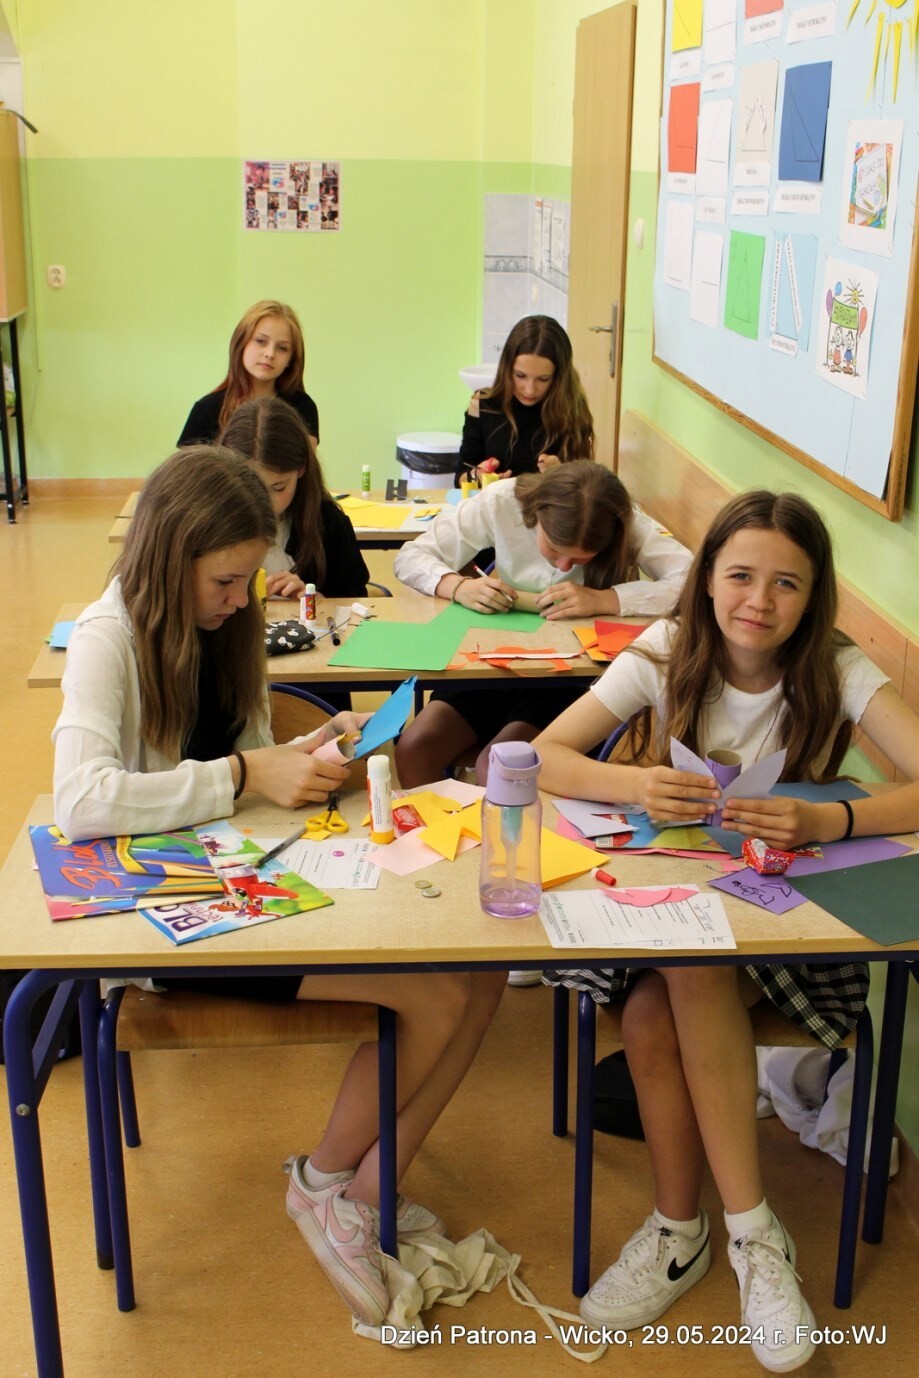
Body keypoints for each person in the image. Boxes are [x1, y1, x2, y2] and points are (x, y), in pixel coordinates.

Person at [52, 448, 506, 1332]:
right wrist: (243, 775)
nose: (237, 599)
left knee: (478, 973)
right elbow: (80, 799)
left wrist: (306, 756)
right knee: (437, 992)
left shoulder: (224, 627)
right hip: (167, 909)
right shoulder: (109, 634)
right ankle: (324, 1185)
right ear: (170, 558)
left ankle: (366, 1191)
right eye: (224, 581)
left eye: (246, 580)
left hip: (247, 873)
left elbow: (251, 760)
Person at [533, 490, 919, 1373]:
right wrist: (634, 785)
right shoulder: (667, 649)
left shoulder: (835, 666)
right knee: (666, 989)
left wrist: (827, 822)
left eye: (786, 584)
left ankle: (711, 1233)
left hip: (795, 934)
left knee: (676, 985)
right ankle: (724, 1232)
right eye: (740, 575)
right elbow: (539, 755)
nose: (758, 600)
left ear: (813, 596)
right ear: (705, 578)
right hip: (669, 919)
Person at [394, 460, 692, 787]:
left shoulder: (623, 519)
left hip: (568, 677)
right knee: (414, 749)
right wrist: (457, 585)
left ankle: (501, 823)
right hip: (491, 661)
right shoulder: (501, 500)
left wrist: (605, 599)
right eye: (553, 549)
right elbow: (410, 557)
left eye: (580, 559)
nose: (564, 566)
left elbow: (692, 580)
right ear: (535, 515)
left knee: (499, 767)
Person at [219, 396, 369, 600]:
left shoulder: (329, 525)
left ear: (301, 468)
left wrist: (315, 601)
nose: (266, 504)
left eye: (278, 487)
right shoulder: (207, 524)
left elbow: (355, 600)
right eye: (251, 488)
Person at [456, 315, 594, 485]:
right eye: (520, 375)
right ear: (507, 368)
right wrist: (476, 476)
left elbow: (585, 486)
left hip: (549, 502)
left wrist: (561, 472)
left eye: (543, 379)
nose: (530, 390)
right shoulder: (483, 405)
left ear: (559, 377)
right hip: (493, 501)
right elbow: (460, 478)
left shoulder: (571, 410)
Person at [178, 301, 319, 446]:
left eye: (282, 348)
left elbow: (305, 460)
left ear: (291, 359)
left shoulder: (303, 407)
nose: (270, 353)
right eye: (260, 341)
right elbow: (188, 461)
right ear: (241, 343)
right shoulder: (206, 410)